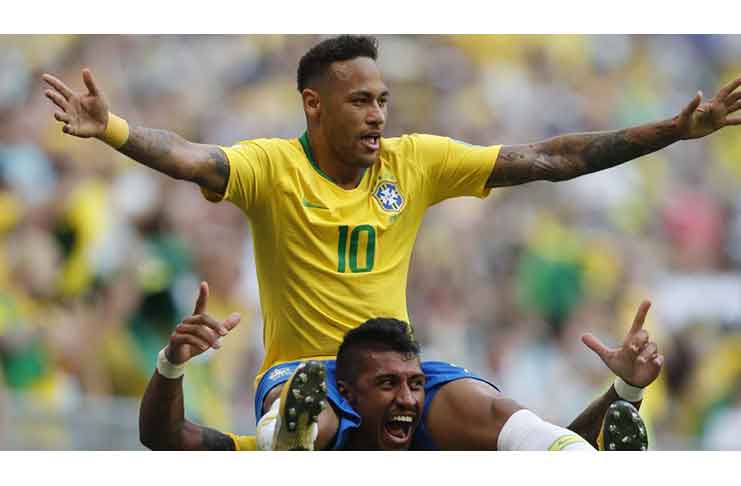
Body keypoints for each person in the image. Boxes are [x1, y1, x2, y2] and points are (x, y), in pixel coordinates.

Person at [42, 35, 730, 450]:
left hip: (403, 376)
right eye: (358, 101)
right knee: (303, 420)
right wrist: (116, 131)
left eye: (382, 100)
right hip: (310, 371)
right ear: (313, 104)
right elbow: (192, 157)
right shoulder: (271, 168)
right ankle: (292, 439)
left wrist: (670, 130)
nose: (376, 115)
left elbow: (549, 158)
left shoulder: (415, 161)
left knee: (513, 425)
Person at [139, 281, 657, 451]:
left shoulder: (442, 445)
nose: (408, 398)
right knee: (296, 426)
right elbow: (164, 437)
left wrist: (625, 392)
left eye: (413, 384)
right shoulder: (325, 413)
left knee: (524, 433)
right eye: (387, 384)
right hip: (297, 440)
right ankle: (288, 442)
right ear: (348, 393)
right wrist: (172, 364)